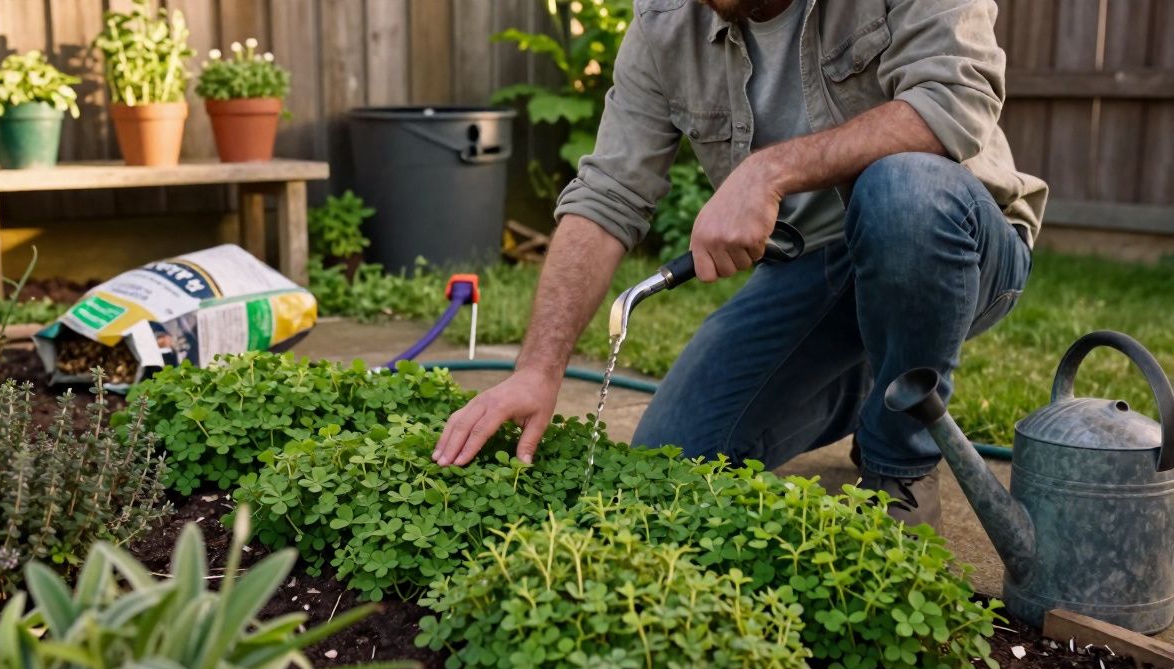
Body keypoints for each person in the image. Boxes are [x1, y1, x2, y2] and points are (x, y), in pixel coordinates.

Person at [432, 0, 1047, 531]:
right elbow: (608, 194)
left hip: (955, 244)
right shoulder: (664, 24)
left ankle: (900, 467)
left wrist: (768, 170)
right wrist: (537, 370)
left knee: (904, 191)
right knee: (668, 464)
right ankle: (880, 386)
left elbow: (954, 99)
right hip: (811, 269)